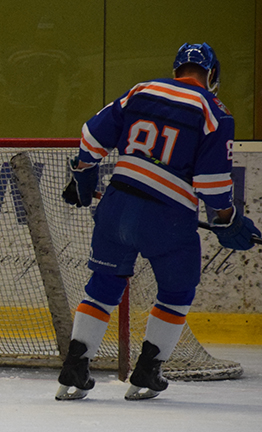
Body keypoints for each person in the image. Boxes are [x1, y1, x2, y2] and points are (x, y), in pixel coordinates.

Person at [56, 43, 260, 401]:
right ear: (212, 75)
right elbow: (212, 184)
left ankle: (74, 369)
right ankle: (147, 373)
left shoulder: (143, 89)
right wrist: (228, 222)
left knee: (103, 285)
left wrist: (83, 174)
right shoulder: (215, 111)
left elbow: (90, 138)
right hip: (167, 218)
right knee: (177, 292)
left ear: (177, 68)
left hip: (116, 206)